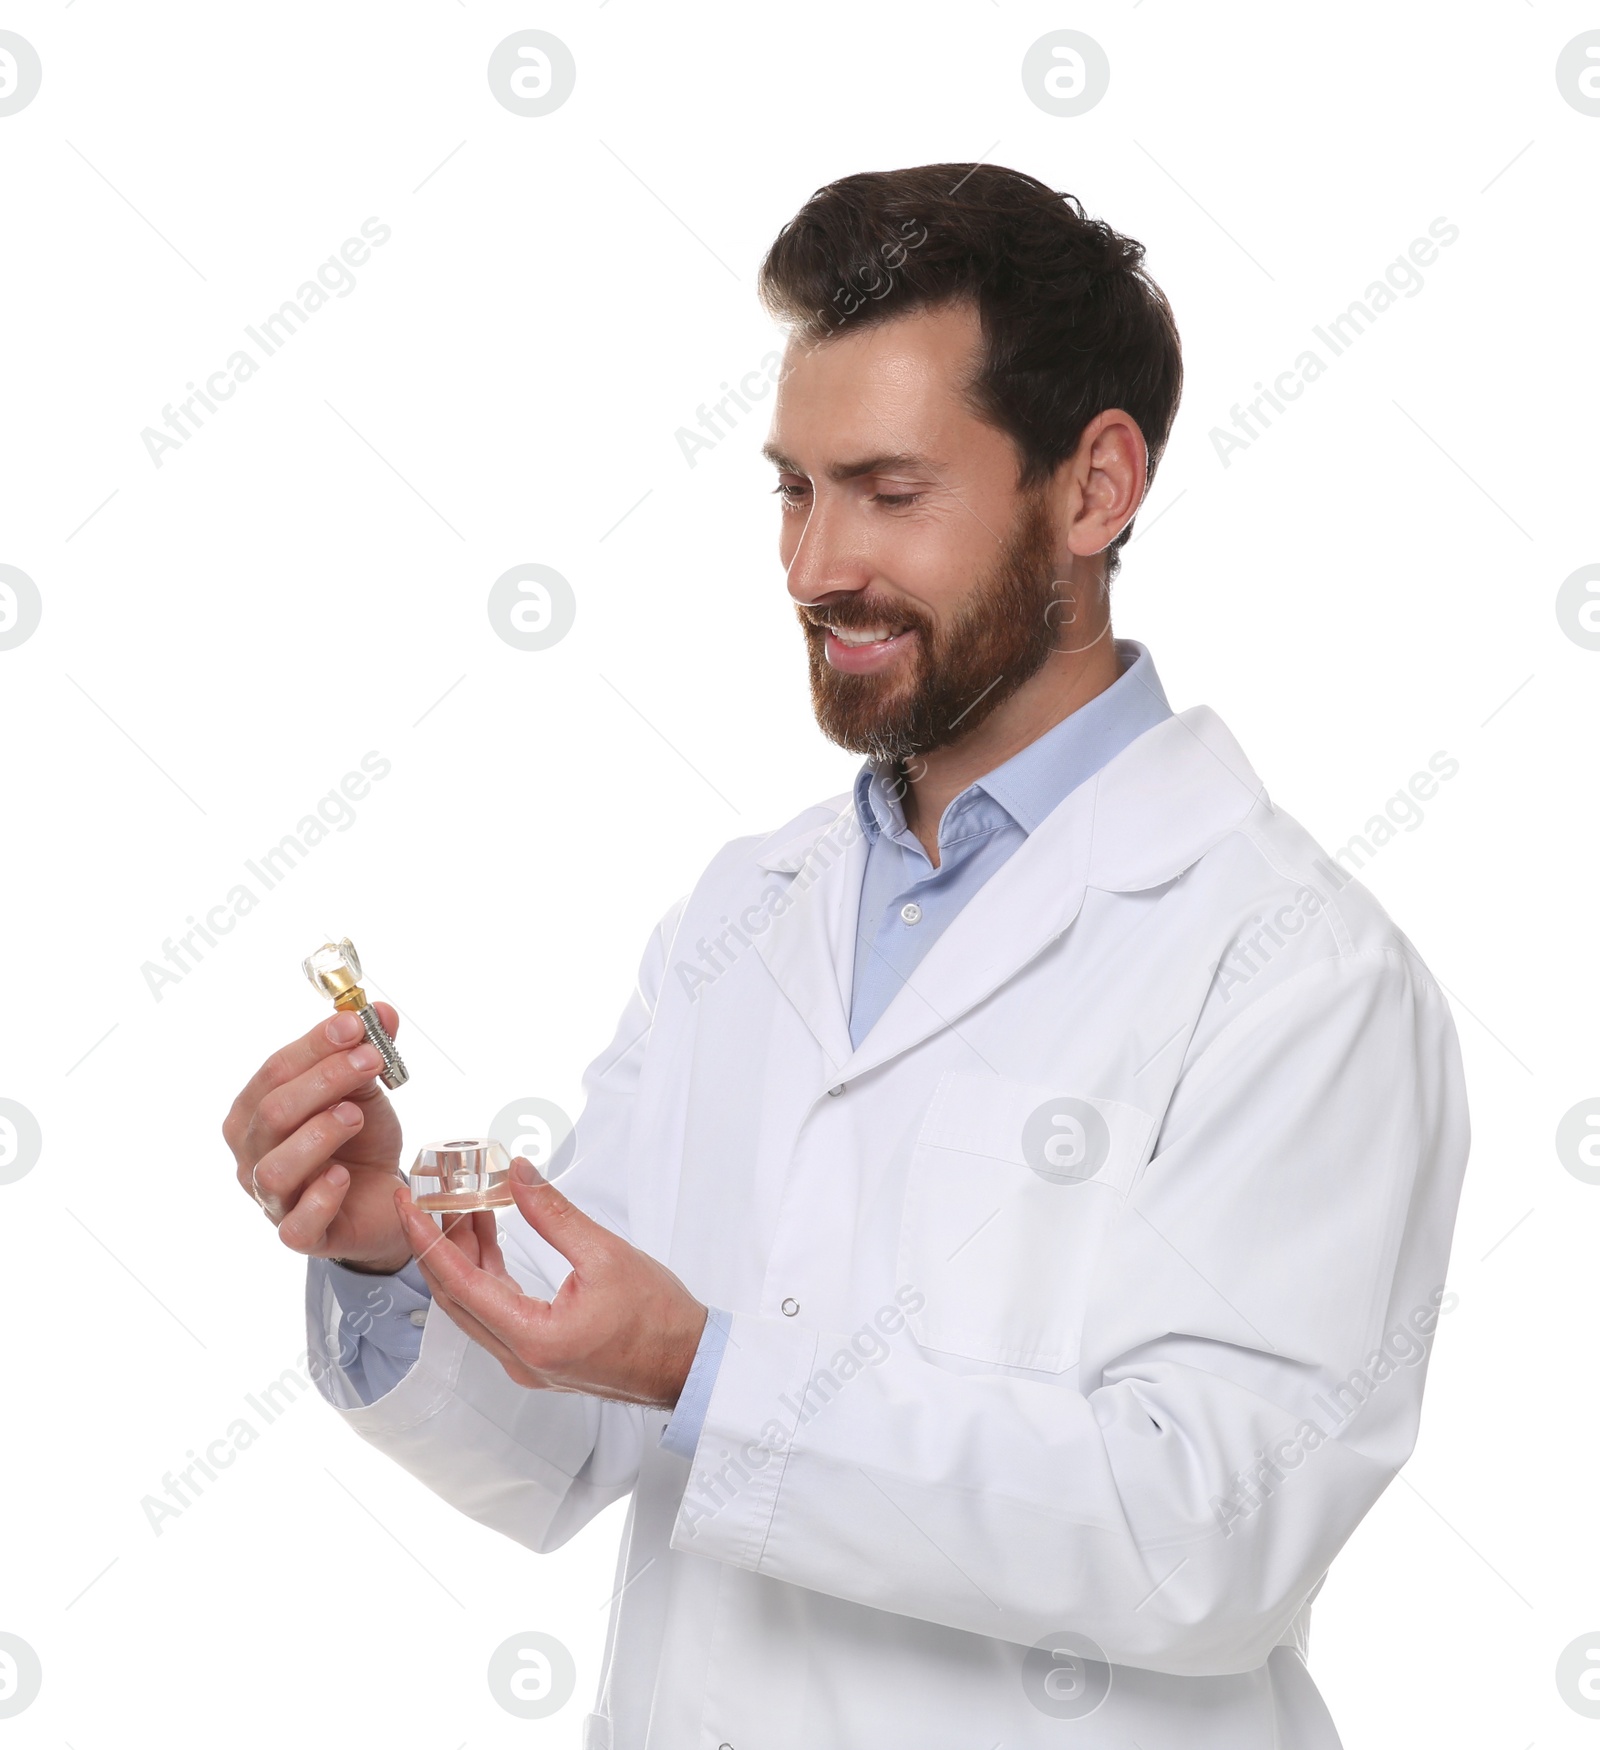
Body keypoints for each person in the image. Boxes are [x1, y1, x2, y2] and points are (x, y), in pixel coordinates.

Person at [222, 163, 1469, 1748]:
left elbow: (1207, 1533)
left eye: (889, 491)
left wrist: (710, 1365)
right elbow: (579, 1436)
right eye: (794, 490)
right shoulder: (749, 911)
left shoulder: (1297, 969)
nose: (814, 567)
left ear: (1095, 489)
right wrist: (393, 1242)